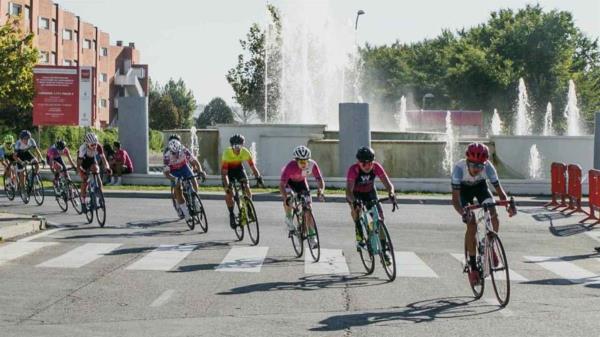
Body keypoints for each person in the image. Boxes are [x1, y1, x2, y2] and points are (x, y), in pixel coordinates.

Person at [451, 142, 515, 287]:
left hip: (481, 188)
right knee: (472, 223)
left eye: (480, 166)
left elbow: (500, 192)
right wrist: (463, 212)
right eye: (473, 165)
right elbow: (455, 200)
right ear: (467, 161)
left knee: (494, 215)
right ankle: (473, 266)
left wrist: (507, 205)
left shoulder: (489, 168)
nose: (476, 169)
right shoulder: (458, 170)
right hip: (464, 192)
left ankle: (489, 244)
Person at [345, 146, 396, 263]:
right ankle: (359, 235)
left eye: (370, 163)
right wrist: (354, 201)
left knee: (379, 219)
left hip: (370, 192)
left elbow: (389, 185)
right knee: (357, 210)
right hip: (355, 194)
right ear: (358, 162)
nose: (367, 166)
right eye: (364, 164)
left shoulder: (376, 167)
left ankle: (384, 250)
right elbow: (348, 191)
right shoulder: (354, 170)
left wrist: (391, 193)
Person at [279, 145, 325, 248]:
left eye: (306, 161)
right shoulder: (290, 166)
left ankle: (312, 236)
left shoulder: (312, 164)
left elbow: (319, 179)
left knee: (309, 209)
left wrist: (321, 190)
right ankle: (288, 218)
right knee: (289, 198)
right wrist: (286, 197)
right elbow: (281, 185)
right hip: (289, 183)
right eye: (301, 162)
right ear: (296, 161)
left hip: (301, 183)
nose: (304, 164)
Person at [221, 134, 263, 229]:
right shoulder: (226, 153)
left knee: (246, 186)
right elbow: (224, 173)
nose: (238, 148)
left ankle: (249, 208)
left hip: (239, 169)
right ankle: (231, 214)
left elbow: (253, 167)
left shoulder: (245, 152)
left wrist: (258, 176)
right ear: (232, 146)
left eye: (240, 145)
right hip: (228, 172)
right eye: (236, 146)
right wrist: (227, 186)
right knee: (229, 194)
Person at [163, 139, 206, 221]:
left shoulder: (184, 150)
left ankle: (195, 199)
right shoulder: (167, 156)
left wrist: (200, 171)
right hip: (174, 171)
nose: (176, 155)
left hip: (184, 167)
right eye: (174, 153)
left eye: (178, 152)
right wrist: (174, 179)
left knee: (193, 177)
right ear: (170, 151)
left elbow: (195, 162)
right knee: (178, 189)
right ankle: (186, 213)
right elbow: (166, 173)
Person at [77, 132, 111, 212]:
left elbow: (104, 159)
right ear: (87, 144)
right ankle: (83, 202)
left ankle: (100, 196)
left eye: (95, 144)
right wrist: (81, 171)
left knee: (96, 170)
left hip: (92, 160)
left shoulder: (98, 146)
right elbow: (79, 163)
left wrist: (107, 167)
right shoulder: (83, 148)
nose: (94, 146)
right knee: (84, 180)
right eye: (92, 145)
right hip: (83, 161)